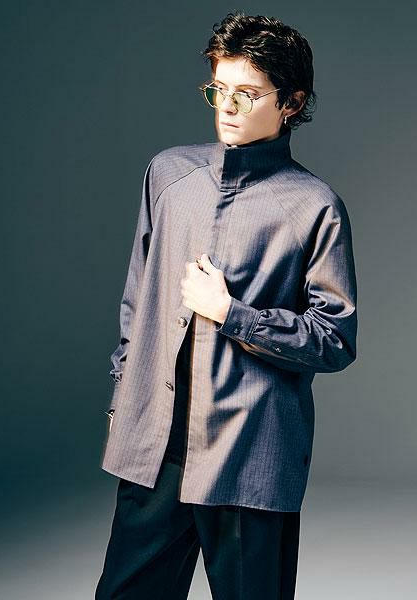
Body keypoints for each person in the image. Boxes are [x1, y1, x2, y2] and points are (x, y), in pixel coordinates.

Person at [95, 11, 358, 600]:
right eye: (219, 88)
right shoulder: (169, 175)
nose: (228, 107)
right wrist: (124, 396)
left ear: (291, 102)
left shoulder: (314, 207)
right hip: (157, 446)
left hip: (250, 453)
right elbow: (138, 299)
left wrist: (231, 313)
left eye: (248, 93)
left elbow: (335, 339)